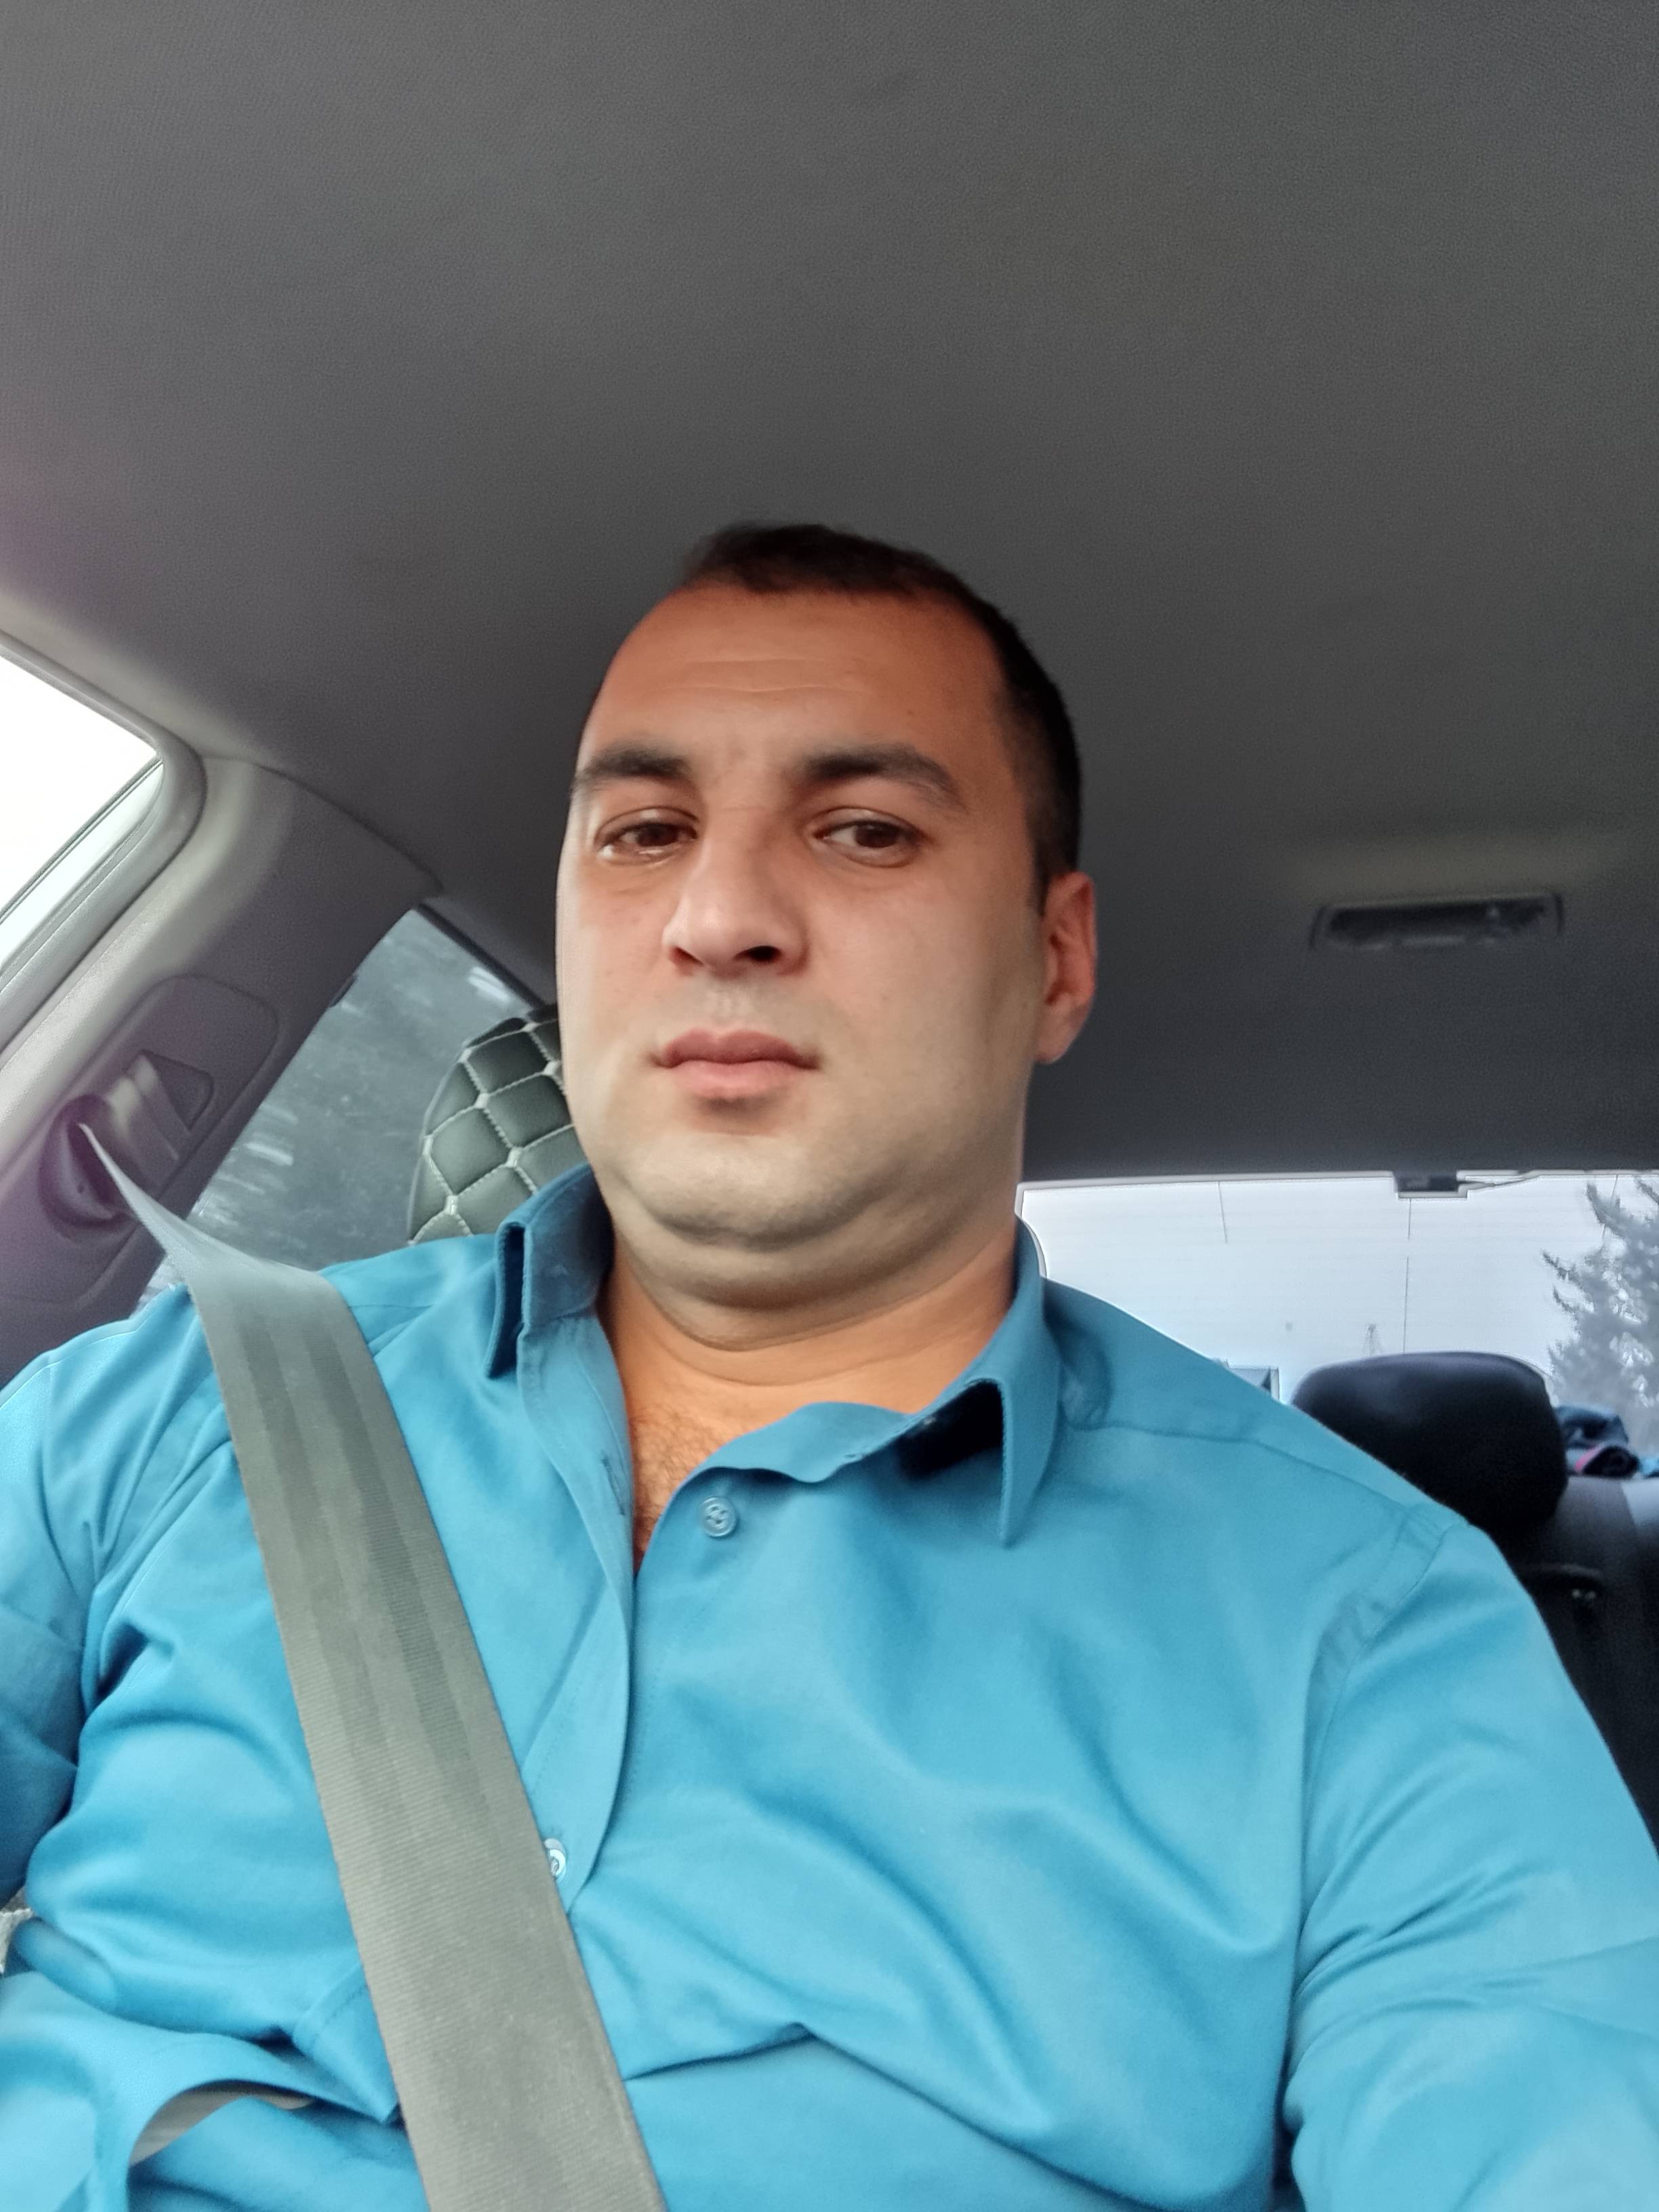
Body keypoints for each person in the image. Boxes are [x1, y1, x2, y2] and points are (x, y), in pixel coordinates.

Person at [3, 523, 1658, 2209]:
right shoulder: (169, 1410)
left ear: (1057, 960)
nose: (718, 916)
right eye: (645, 833)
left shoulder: (1367, 1634)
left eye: (865, 830)